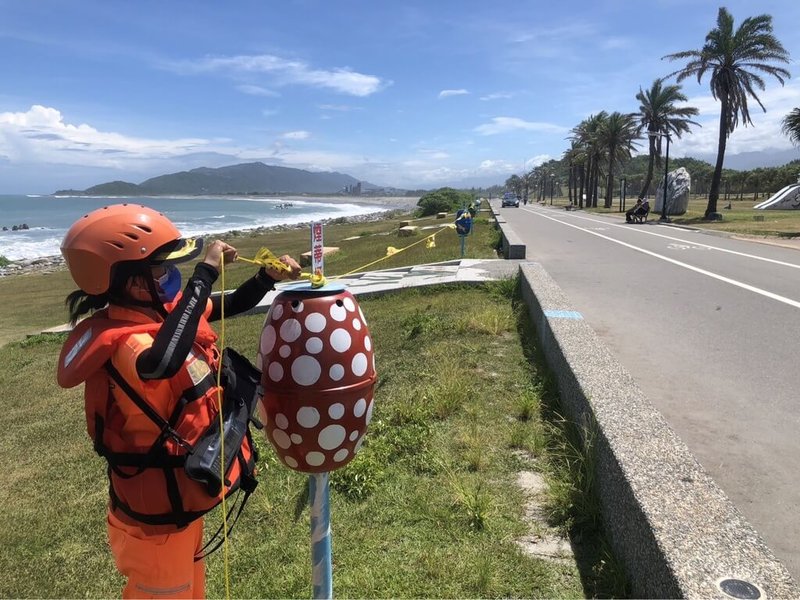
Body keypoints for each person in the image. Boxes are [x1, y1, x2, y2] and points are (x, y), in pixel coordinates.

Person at [56, 204, 301, 599]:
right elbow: (162, 362)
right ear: (133, 284)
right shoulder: (131, 344)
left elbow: (228, 306)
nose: (174, 277)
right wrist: (203, 274)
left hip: (179, 503)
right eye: (162, 271)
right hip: (153, 528)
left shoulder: (161, 318)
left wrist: (264, 278)